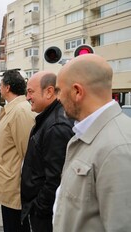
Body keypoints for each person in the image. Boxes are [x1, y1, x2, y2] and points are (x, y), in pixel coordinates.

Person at [53, 54, 131, 231]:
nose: (57, 98)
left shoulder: (118, 149)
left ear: (77, 92)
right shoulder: (87, 133)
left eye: (59, 90)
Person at [20, 71, 74, 232]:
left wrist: (38, 209)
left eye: (30, 91)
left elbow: (56, 179)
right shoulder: (50, 119)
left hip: (45, 217)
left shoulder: (56, 126)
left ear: (49, 91)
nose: (27, 97)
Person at [0, 69, 36, 232]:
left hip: (14, 188)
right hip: (8, 187)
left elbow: (28, 154)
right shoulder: (15, 109)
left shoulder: (21, 111)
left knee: (15, 227)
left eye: (1, 85)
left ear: (7, 87)